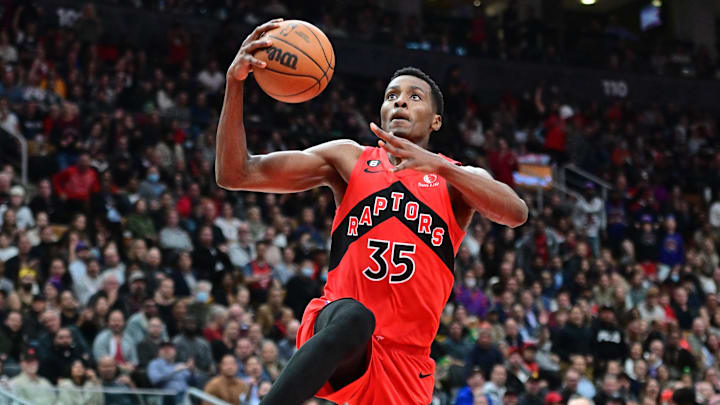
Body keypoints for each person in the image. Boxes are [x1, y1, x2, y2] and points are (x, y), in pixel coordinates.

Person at [216, 18, 527, 405]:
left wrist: (441, 166)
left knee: (360, 322)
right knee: (354, 318)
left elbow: (515, 212)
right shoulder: (349, 159)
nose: (399, 100)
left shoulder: (456, 178)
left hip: (406, 362)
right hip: (342, 336)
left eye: (415, 96)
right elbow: (235, 172)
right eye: (392, 94)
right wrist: (235, 84)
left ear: (436, 120)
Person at [147, 340, 195, 405]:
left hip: (185, 397)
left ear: (175, 351)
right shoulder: (154, 364)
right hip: (166, 399)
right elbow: (155, 380)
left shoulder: (181, 364)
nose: (167, 350)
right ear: (159, 351)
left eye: (170, 348)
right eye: (163, 348)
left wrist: (191, 371)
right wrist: (174, 371)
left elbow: (192, 383)